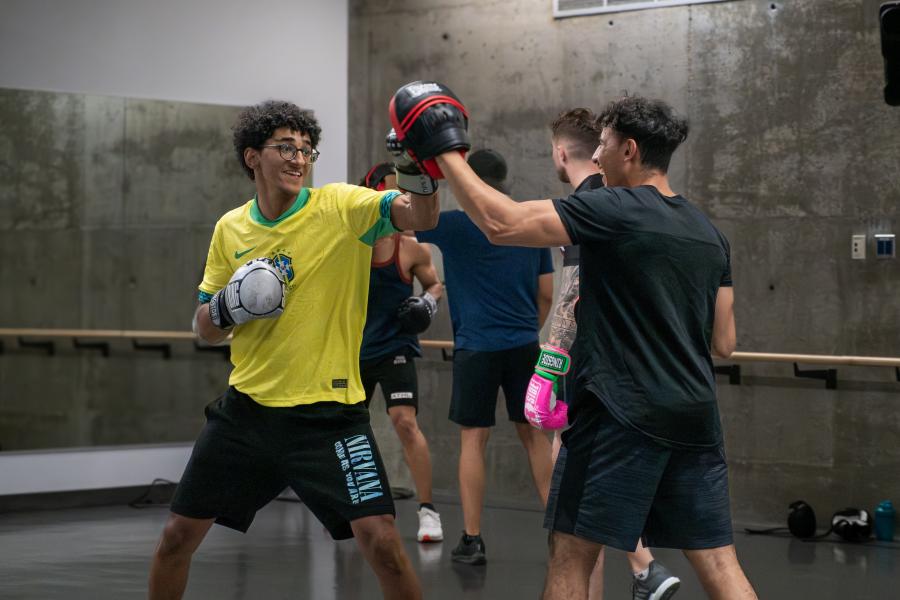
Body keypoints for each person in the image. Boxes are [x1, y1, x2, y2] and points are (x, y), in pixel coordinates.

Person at [419, 94, 756, 599]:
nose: (595, 157)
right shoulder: (709, 233)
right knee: (719, 560)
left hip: (620, 412)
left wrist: (444, 148)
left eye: (603, 144)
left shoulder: (615, 208)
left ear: (630, 150)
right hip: (696, 415)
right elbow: (724, 341)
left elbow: (502, 223)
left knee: (571, 554)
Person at [148, 99, 451, 600]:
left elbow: (422, 215)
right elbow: (204, 327)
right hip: (247, 414)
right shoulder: (231, 229)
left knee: (383, 544)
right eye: (285, 147)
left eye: (307, 150)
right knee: (176, 537)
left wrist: (414, 168)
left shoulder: (341, 207)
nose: (298, 158)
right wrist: (229, 306)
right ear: (252, 157)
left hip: (330, 419)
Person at [540, 108, 680, 600]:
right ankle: (642, 568)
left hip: (595, 360)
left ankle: (644, 568)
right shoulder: (620, 199)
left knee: (576, 482)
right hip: (636, 369)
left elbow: (575, 289)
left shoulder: (592, 200)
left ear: (560, 152)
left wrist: (550, 361)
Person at [415, 148, 555, 566]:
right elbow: (546, 293)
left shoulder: (455, 225)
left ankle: (472, 539)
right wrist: (528, 328)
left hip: (476, 347)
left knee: (473, 440)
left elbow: (414, 221)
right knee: (534, 437)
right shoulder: (528, 223)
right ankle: (561, 531)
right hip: (523, 344)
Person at [358, 163, 445, 543]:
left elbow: (436, 285)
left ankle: (428, 512)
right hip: (353, 350)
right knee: (350, 433)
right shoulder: (350, 248)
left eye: (404, 195)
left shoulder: (410, 248)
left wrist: (426, 303)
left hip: (395, 346)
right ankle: (358, 507)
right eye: (392, 193)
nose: (400, 202)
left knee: (404, 422)